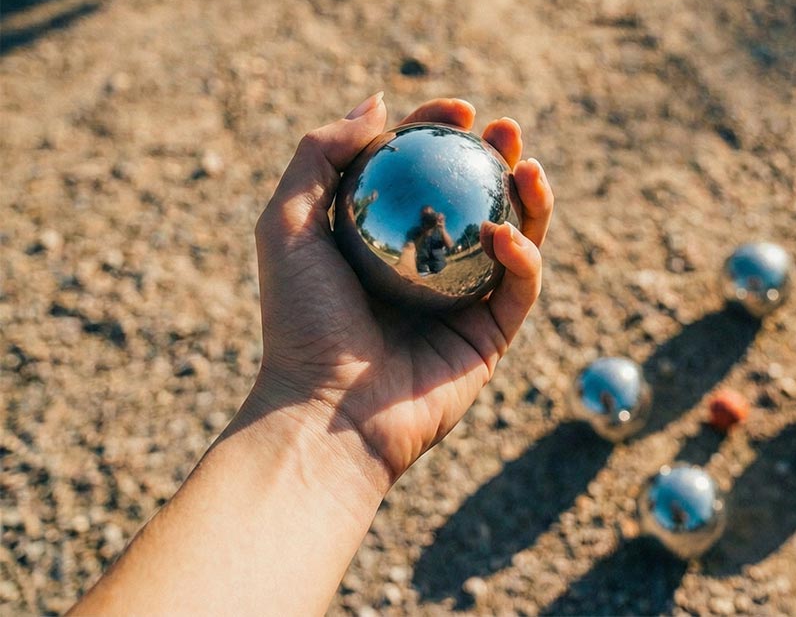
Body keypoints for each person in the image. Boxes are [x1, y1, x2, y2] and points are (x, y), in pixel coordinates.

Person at [71, 96, 554, 616]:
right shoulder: (406, 221)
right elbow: (412, 253)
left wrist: (322, 414)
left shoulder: (438, 221)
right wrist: (321, 404)